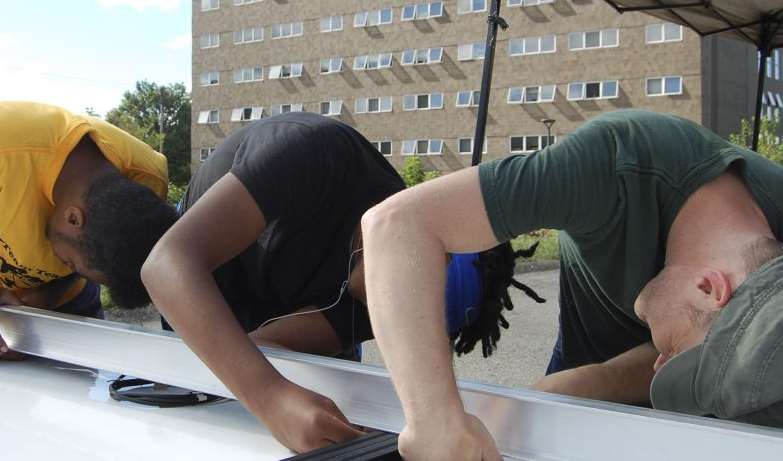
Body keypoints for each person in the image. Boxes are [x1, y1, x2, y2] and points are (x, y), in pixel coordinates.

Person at [361, 109, 783, 460]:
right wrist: (435, 420)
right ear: (710, 288)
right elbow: (397, 225)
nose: (659, 363)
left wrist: (603, 382)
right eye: (676, 354)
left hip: (695, 416)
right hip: (581, 359)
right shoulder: (617, 162)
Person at [139, 112, 542, 453]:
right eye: (413, 298)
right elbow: (165, 264)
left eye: (417, 329)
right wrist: (270, 396)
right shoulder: (315, 152)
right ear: (423, 240)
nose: (391, 318)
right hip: (191, 290)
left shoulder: (386, 313)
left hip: (260, 302)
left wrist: (307, 406)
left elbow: (266, 347)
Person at [0, 100, 177, 357]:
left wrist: (50, 295)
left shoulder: (147, 180)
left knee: (74, 402)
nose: (66, 267)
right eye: (70, 263)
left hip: (63, 302)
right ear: (74, 219)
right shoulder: (1, 144)